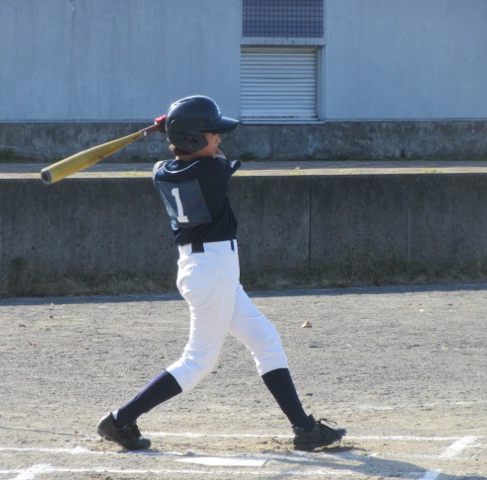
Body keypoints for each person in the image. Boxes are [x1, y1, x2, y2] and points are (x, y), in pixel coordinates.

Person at [97, 95, 345, 451]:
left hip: (208, 270)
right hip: (213, 271)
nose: (218, 139)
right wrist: (175, 127)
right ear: (193, 139)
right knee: (198, 362)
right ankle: (120, 420)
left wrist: (175, 129)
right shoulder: (213, 170)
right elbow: (217, 158)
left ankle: (304, 429)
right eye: (212, 134)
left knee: (264, 339)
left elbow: (185, 156)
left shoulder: (160, 171)